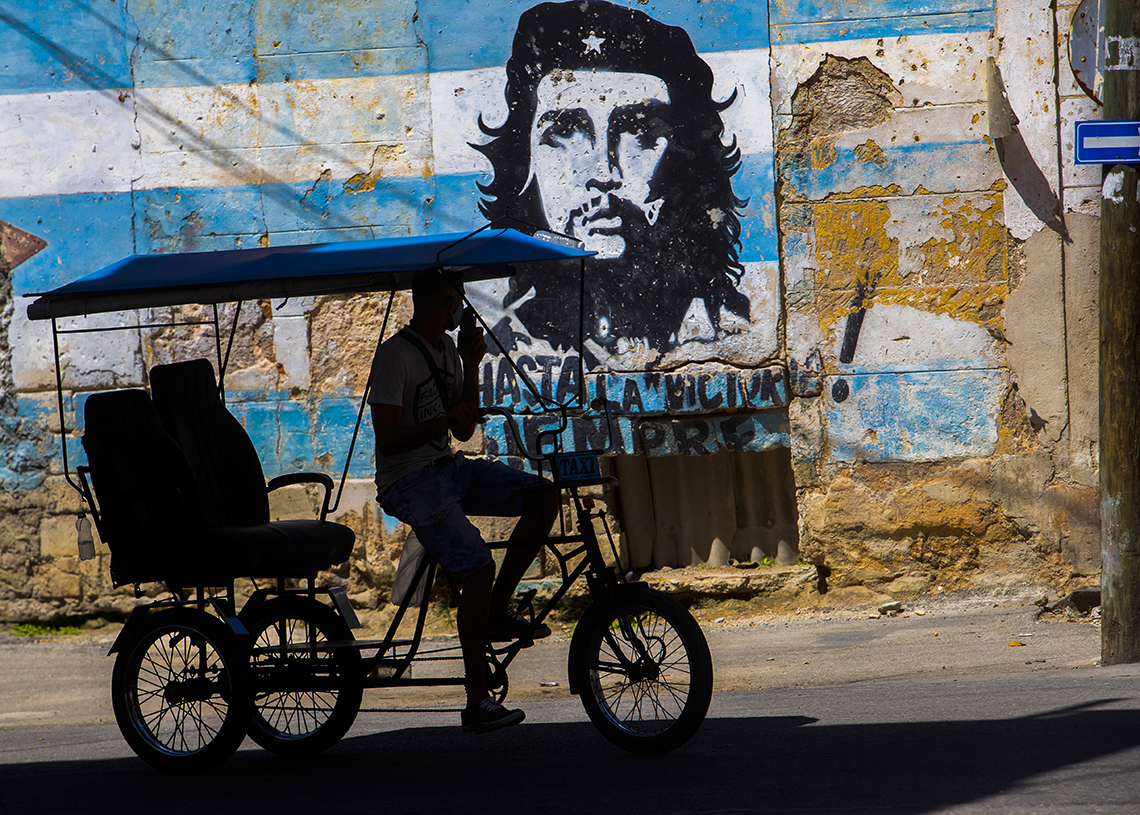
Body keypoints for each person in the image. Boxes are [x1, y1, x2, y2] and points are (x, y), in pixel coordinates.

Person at [474, 0, 751, 357]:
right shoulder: (500, 342)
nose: (604, 174)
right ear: (524, 162)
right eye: (565, 131)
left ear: (687, 162)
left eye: (641, 132)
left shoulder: (727, 334)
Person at [369, 268, 558, 734]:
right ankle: (478, 700)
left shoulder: (450, 352)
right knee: (476, 567)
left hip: (448, 469)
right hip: (409, 481)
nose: (461, 310)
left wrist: (473, 365)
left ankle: (495, 610)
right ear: (443, 302)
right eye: (457, 300)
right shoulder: (395, 356)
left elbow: (463, 429)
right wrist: (443, 421)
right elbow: (389, 439)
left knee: (544, 496)